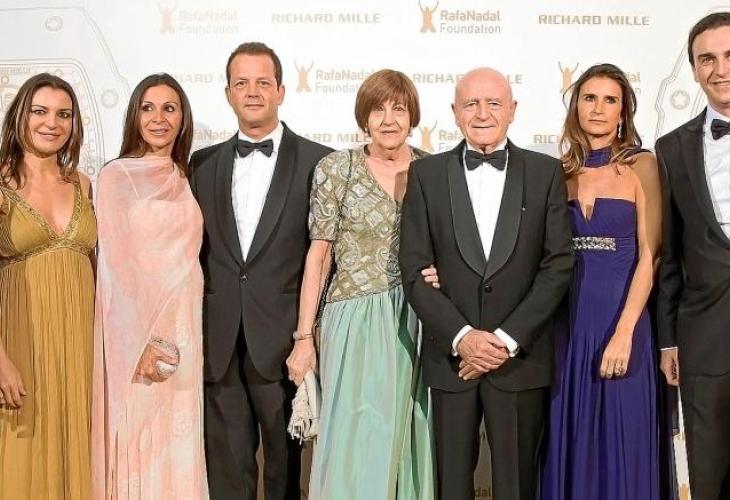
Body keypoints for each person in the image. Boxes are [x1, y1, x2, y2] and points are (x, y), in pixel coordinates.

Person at [399, 67, 574, 500]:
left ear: (512, 110)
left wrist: (503, 341)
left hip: (519, 361)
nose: (482, 113)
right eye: (471, 104)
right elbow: (414, 270)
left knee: (517, 486)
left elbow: (557, 266)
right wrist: (463, 338)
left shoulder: (545, 172)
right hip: (451, 361)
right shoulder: (425, 175)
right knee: (450, 487)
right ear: (454, 112)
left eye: (494, 103)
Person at [190, 42, 331, 500]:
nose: (252, 92)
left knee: (284, 476)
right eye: (242, 83)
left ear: (281, 91)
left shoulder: (319, 161)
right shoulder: (200, 164)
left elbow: (330, 256)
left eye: (263, 82)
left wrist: (308, 337)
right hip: (219, 342)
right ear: (228, 93)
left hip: (285, 344)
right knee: (227, 475)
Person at [286, 69, 435, 500]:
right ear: (364, 118)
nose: (388, 120)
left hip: (418, 319)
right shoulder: (337, 168)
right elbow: (319, 256)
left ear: (412, 116)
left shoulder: (433, 169)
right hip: (353, 319)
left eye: (398, 109)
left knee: (410, 432)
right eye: (377, 109)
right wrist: (303, 337)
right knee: (355, 434)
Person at [539, 63, 663, 500]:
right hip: (567, 328)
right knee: (570, 438)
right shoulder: (556, 174)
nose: (598, 108)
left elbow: (650, 255)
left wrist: (625, 332)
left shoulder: (642, 166)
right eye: (589, 98)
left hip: (622, 322)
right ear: (576, 106)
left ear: (624, 111)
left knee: (622, 442)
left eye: (610, 100)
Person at [91, 73, 207, 499]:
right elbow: (114, 268)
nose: (159, 118)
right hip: (139, 333)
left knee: (180, 437)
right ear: (134, 116)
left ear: (183, 118)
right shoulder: (116, 176)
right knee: (139, 442)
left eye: (169, 109)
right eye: (148, 108)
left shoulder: (186, 176)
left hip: (186, 327)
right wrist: (135, 343)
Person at [0, 72, 95, 499]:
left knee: (78, 452)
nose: (52, 123)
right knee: (23, 455)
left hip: (81, 344)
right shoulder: (1, 184)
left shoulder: (83, 183)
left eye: (64, 114)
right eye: (40, 111)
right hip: (22, 340)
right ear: (20, 115)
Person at [656, 12, 730, 499]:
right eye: (707, 59)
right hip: (704, 335)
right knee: (708, 472)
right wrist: (667, 341)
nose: (720, 69)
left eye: (729, 56)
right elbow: (669, 255)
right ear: (694, 69)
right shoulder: (671, 148)